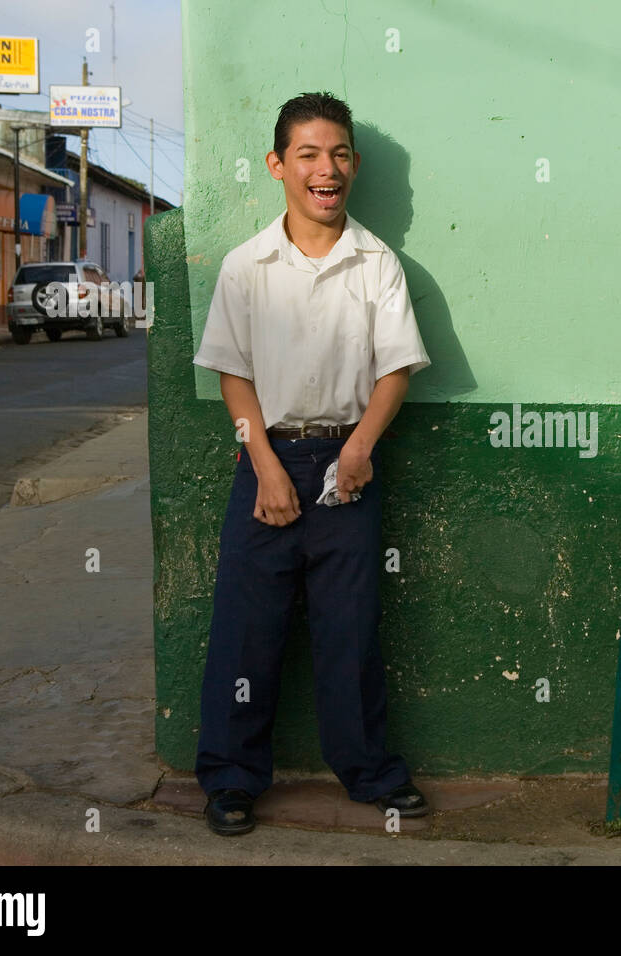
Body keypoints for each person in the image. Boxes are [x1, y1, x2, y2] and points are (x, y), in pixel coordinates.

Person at [191, 91, 431, 836]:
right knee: (246, 629)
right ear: (278, 166)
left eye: (339, 154)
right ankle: (232, 780)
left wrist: (359, 449)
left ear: (352, 165)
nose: (326, 169)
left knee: (349, 627)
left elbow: (396, 369)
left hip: (348, 465)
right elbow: (232, 372)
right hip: (266, 457)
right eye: (308, 154)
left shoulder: (376, 263)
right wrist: (260, 460)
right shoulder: (247, 267)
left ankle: (369, 772)